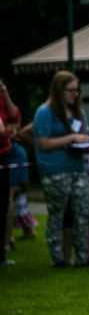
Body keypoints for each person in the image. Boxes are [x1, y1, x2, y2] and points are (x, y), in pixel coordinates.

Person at [33, 71, 89, 268]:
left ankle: (83, 257)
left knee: (83, 212)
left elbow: (83, 137)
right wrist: (71, 139)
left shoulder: (78, 112)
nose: (74, 95)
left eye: (77, 91)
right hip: (55, 170)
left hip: (78, 168)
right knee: (57, 215)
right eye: (70, 91)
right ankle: (58, 258)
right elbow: (43, 143)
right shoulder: (45, 112)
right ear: (59, 90)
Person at [0, 76, 22, 266]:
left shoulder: (2, 98)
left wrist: (5, 94)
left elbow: (15, 116)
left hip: (5, 155)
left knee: (6, 202)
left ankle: (4, 248)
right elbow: (2, 130)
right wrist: (9, 131)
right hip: (3, 152)